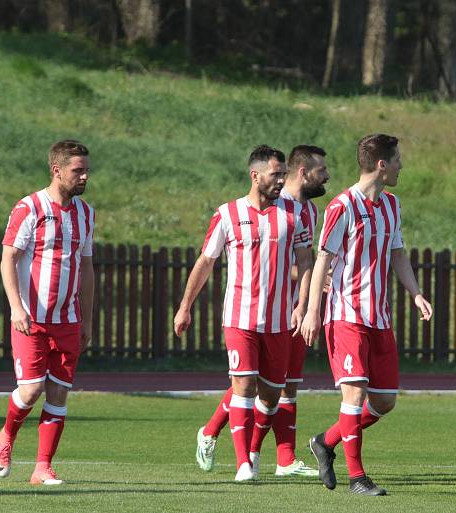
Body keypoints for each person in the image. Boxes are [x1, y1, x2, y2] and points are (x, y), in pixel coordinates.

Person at [301, 134, 433, 496]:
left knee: (384, 402)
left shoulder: (391, 205)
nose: (401, 166)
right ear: (381, 165)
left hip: (380, 318)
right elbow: (323, 259)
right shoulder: (342, 206)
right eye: (397, 160)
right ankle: (357, 478)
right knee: (354, 395)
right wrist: (313, 312)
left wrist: (417, 293)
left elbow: (398, 254)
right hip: (345, 315)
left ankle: (325, 442)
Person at [174, 145, 312, 482]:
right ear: (255, 175)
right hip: (239, 319)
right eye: (275, 174)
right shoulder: (227, 214)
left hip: (280, 321)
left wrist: (302, 304)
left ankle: (243, 447)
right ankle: (243, 464)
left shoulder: (293, 215)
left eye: (283, 174)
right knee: (243, 386)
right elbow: (206, 261)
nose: (281, 180)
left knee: (270, 394)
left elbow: (306, 260)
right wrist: (185, 306)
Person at [0, 140, 95, 486]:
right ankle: (7, 434)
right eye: (77, 170)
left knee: (59, 393)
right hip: (31, 319)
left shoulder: (86, 213)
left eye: (86, 170)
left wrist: (88, 318)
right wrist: (16, 307)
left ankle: (42, 468)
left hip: (68, 320)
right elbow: (8, 257)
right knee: (31, 388)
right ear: (57, 170)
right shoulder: (29, 207)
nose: (84, 176)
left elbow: (88, 267)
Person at [246, 145, 329, 477]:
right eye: (322, 170)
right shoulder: (279, 208)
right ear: (303, 172)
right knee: (253, 384)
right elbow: (277, 266)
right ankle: (215, 435)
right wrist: (314, 282)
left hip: (297, 312)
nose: (328, 176)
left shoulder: (309, 211)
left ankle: (285, 460)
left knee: (289, 385)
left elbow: (306, 262)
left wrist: (313, 290)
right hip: (272, 311)